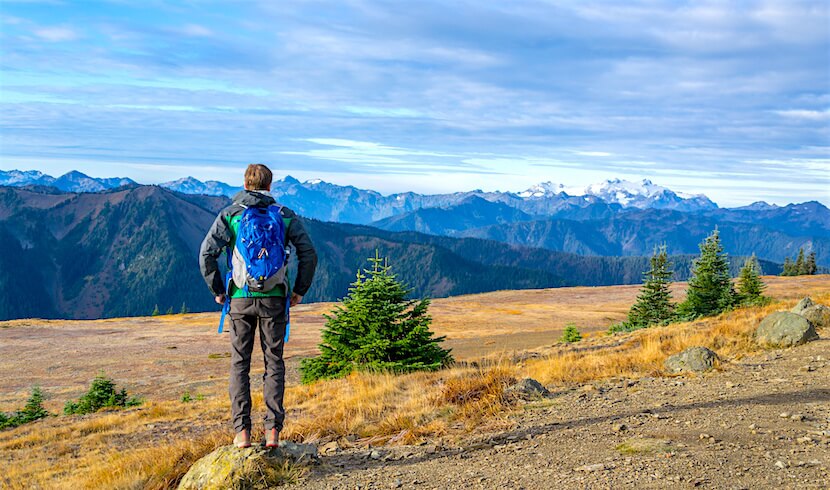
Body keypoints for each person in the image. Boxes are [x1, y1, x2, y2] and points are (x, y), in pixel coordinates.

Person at [199, 163, 317, 448]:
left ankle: (242, 433)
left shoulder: (231, 215)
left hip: (240, 298)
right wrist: (299, 291)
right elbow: (309, 254)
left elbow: (206, 254)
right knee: (273, 362)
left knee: (239, 363)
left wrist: (218, 290)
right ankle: (272, 431)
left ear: (245, 184)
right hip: (274, 298)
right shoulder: (284, 215)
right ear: (270, 185)